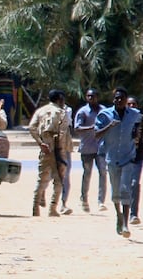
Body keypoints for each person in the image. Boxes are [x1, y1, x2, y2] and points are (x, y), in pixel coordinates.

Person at [95, 87, 141, 238]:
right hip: (112, 158)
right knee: (115, 193)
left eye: (122, 98)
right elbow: (96, 134)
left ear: (126, 100)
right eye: (116, 98)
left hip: (128, 158)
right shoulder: (104, 115)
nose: (119, 101)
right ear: (113, 99)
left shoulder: (134, 114)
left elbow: (140, 122)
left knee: (125, 189)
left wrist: (137, 134)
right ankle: (119, 216)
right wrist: (109, 126)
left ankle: (126, 224)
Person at [29, 89, 69, 217]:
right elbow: (63, 133)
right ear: (59, 99)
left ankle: (35, 208)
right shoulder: (61, 112)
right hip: (58, 149)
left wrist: (41, 143)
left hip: (45, 148)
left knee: (41, 179)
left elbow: (31, 127)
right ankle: (53, 208)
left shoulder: (40, 111)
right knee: (58, 180)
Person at [74, 88, 108, 212]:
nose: (90, 98)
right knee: (87, 174)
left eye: (92, 96)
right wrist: (91, 128)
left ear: (97, 97)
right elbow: (77, 128)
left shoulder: (104, 111)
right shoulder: (82, 112)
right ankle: (84, 200)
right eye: (88, 96)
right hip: (87, 148)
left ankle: (101, 202)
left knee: (103, 173)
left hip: (101, 148)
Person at [127, 96, 142, 225]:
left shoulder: (141, 120)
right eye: (129, 104)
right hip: (122, 158)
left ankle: (133, 214)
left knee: (134, 183)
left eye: (134, 104)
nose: (131, 106)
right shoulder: (121, 120)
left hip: (137, 158)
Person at [60, 104, 74, 215]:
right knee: (48, 174)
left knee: (65, 176)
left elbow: (68, 121)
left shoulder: (67, 110)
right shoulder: (46, 111)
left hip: (65, 147)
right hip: (52, 147)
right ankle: (41, 197)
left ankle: (63, 203)